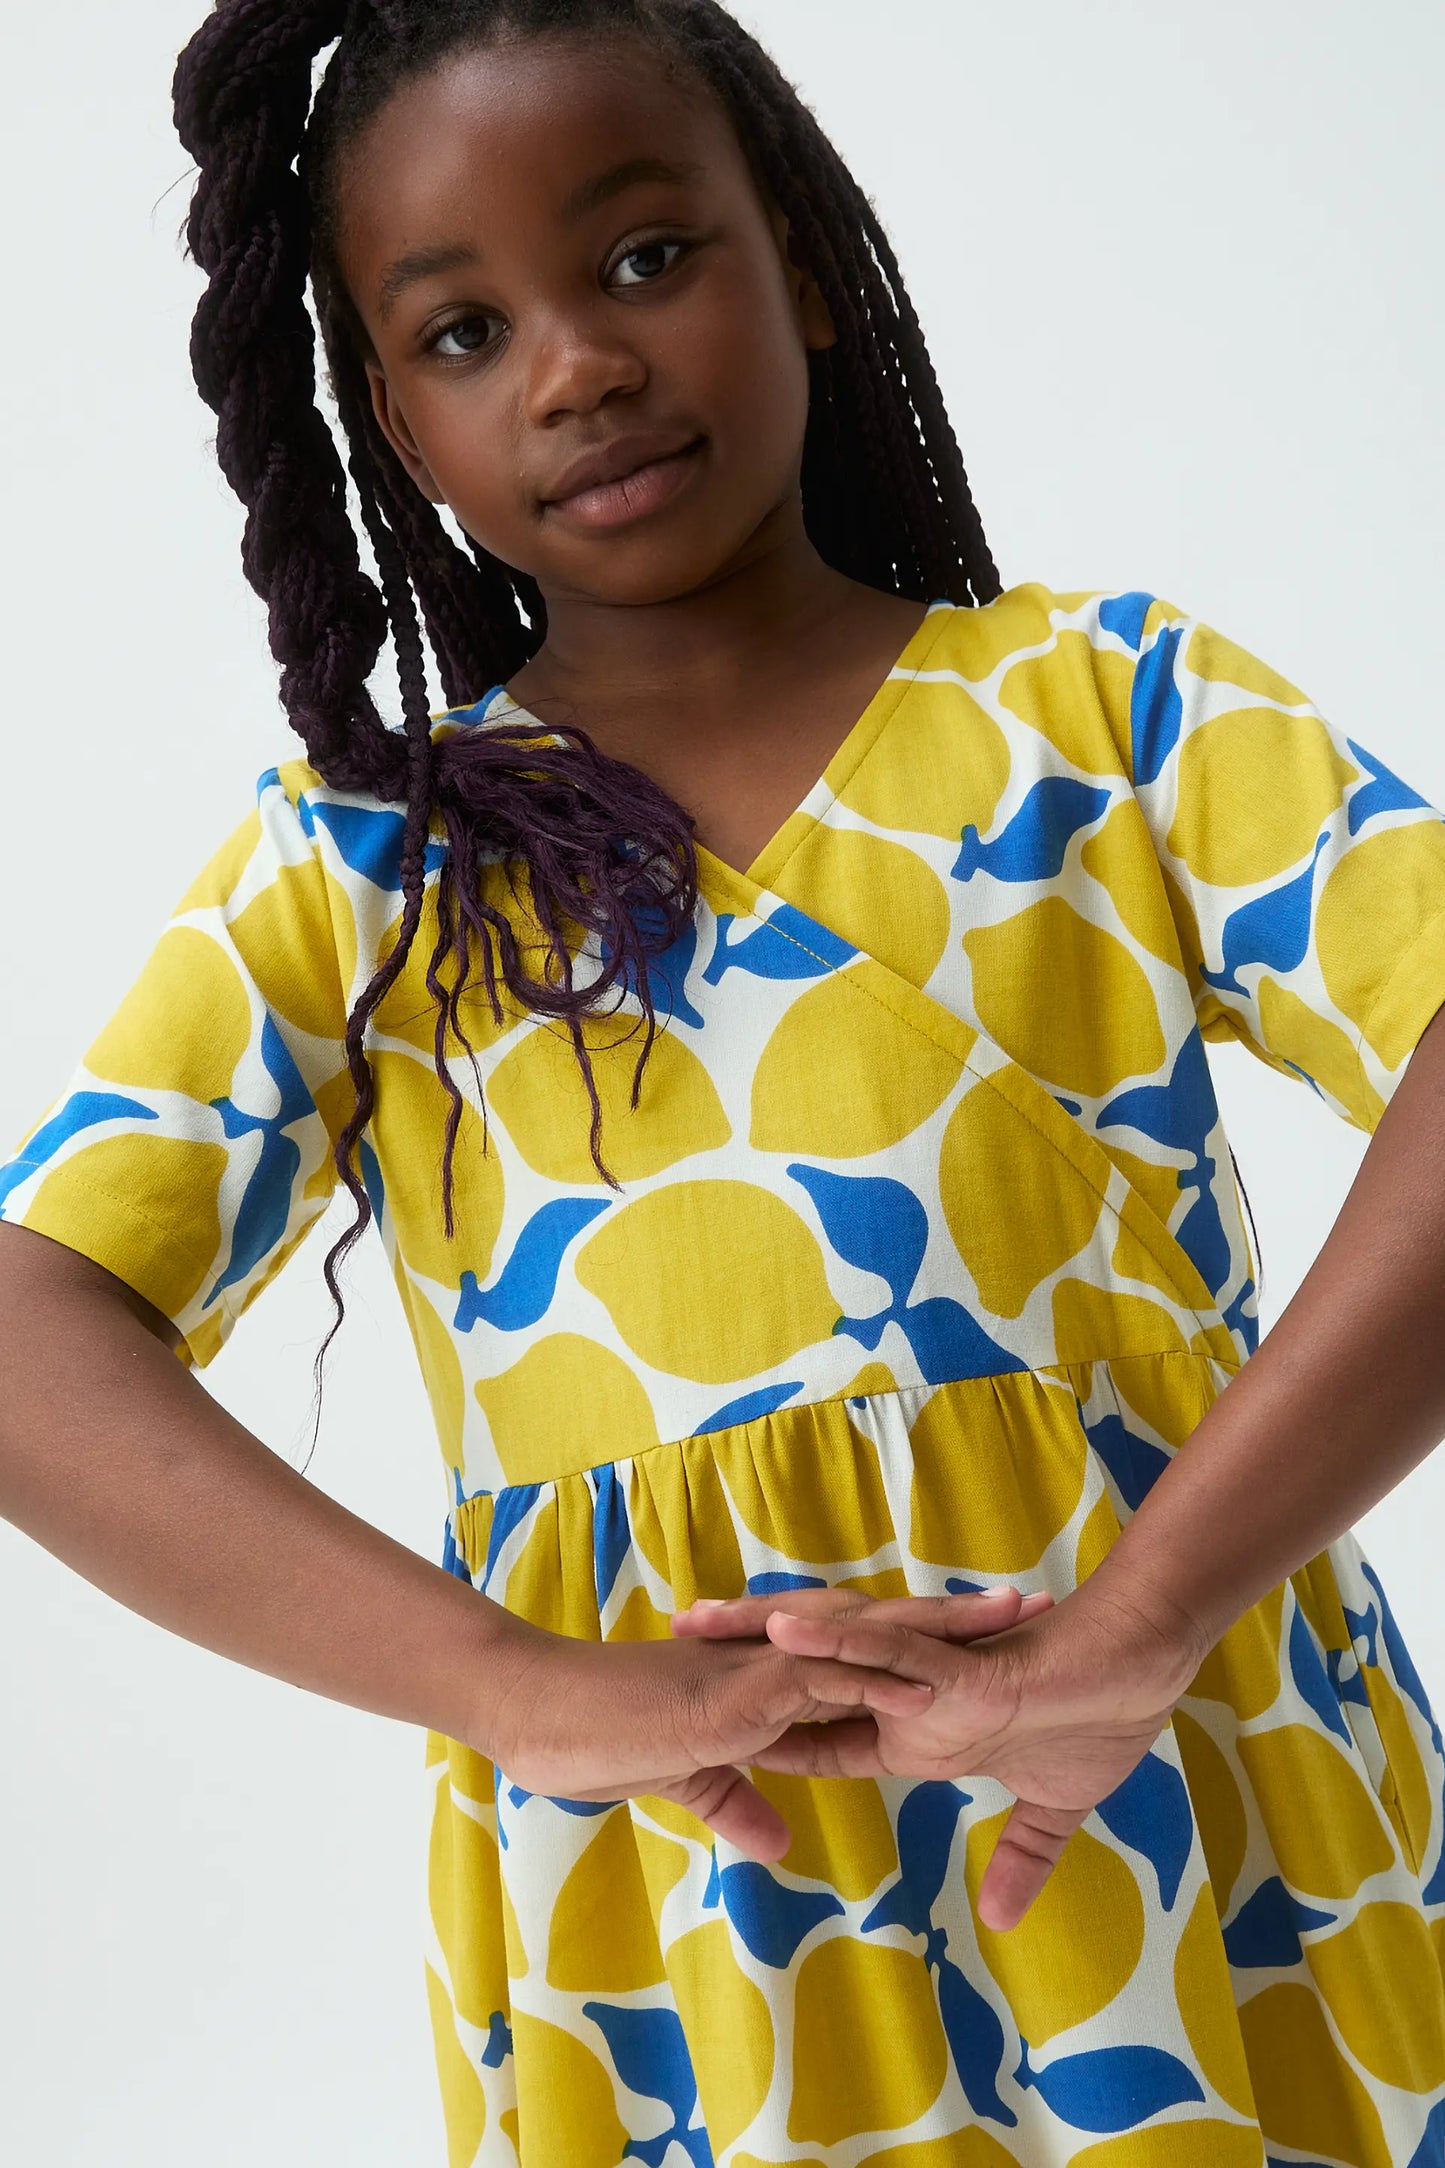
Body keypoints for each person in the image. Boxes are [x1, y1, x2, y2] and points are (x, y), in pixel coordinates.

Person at [2, 0, 1444, 2158]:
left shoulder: (1101, 710)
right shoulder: (373, 873)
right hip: (692, 1941)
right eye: (466, 332)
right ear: (395, 425)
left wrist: (1140, 1623)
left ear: (808, 267)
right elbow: (33, 1331)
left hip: (1190, 1803)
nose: (577, 365)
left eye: (646, 257)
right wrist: (506, 1684)